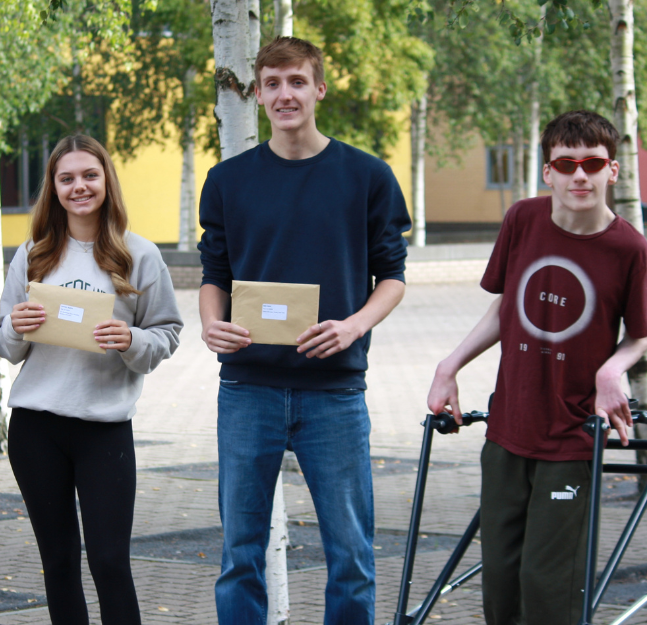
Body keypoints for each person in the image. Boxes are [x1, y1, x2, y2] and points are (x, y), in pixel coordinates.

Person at [197, 36, 411, 624]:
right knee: (239, 554)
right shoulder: (227, 180)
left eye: (296, 82)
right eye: (272, 83)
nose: (284, 94)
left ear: (319, 87)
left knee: (351, 556)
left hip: (335, 393)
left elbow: (392, 276)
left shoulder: (366, 176)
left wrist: (354, 327)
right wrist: (212, 326)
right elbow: (215, 275)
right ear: (259, 94)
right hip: (247, 389)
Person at [427, 110, 647, 625]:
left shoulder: (629, 247)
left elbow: (640, 334)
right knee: (501, 585)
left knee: (548, 588)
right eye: (565, 163)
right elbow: (505, 309)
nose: (579, 175)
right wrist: (449, 364)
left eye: (592, 163)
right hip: (508, 430)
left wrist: (612, 370)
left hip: (570, 436)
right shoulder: (522, 219)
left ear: (611, 171)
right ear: (547, 171)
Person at [0, 134, 182, 624]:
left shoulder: (139, 255)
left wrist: (131, 340)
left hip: (104, 429)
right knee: (58, 562)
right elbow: (5, 346)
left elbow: (168, 332)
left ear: (106, 181)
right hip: (36, 428)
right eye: (67, 178)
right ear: (53, 188)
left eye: (89, 175)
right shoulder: (33, 254)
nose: (80, 186)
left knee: (109, 561)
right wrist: (16, 326)